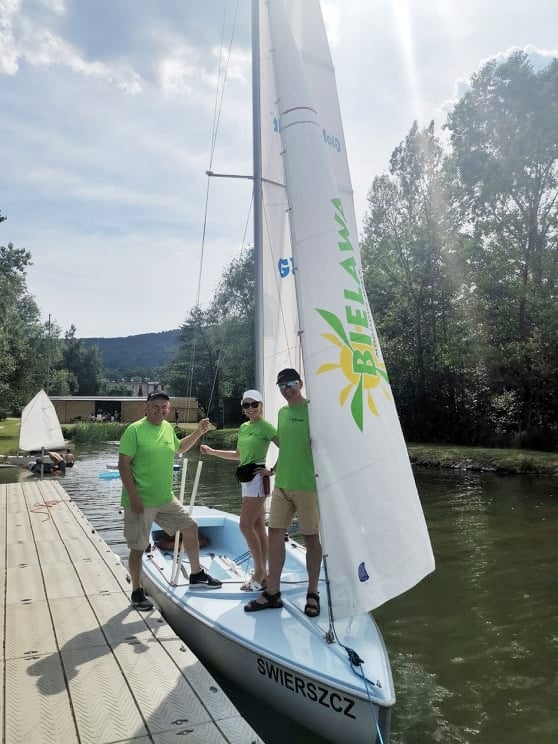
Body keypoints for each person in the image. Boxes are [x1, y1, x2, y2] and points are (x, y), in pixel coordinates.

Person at [118, 391, 222, 611]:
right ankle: (137, 592)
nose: (160, 411)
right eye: (156, 407)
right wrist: (134, 497)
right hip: (140, 500)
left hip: (165, 498)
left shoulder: (166, 428)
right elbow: (123, 466)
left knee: (191, 527)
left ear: (169, 408)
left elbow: (179, 448)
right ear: (146, 407)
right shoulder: (134, 430)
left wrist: (198, 431)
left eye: (164, 407)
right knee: (138, 548)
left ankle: (196, 574)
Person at [245, 369, 322, 617]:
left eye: (290, 384)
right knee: (275, 532)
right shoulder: (282, 412)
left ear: (300, 383)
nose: (286, 389)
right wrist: (273, 470)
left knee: (311, 539)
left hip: (308, 486)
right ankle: (273, 592)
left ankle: (312, 592)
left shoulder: (314, 410)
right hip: (282, 485)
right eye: (281, 386)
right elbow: (286, 447)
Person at [200, 390, 277, 591]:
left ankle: (259, 573)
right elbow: (238, 455)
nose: (250, 408)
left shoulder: (266, 427)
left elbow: (287, 447)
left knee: (245, 525)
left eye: (254, 404)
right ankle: (264, 573)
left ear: (261, 405)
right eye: (246, 405)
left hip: (257, 480)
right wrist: (212, 451)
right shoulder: (244, 427)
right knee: (258, 527)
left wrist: (272, 470)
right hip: (246, 479)